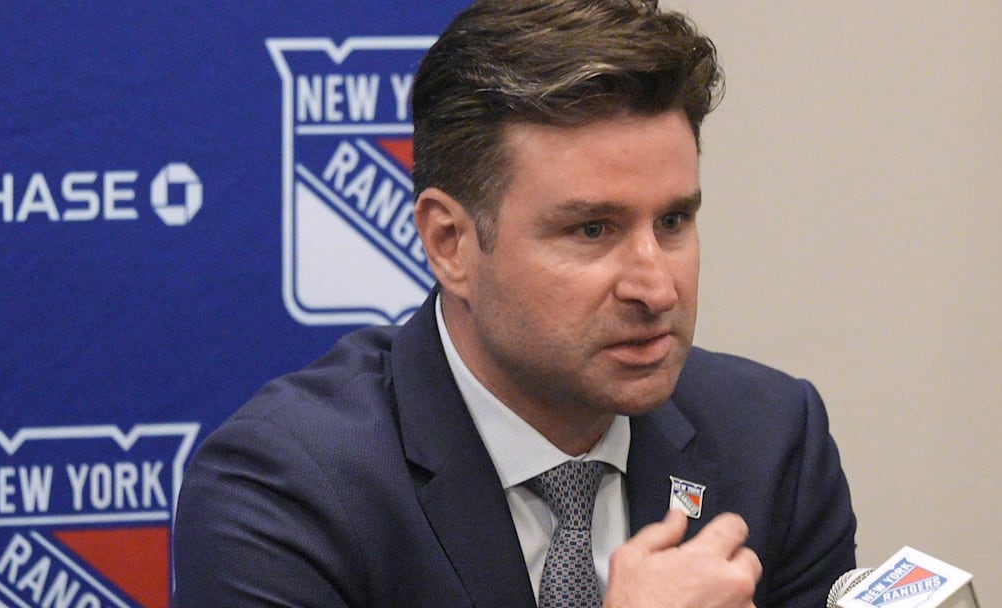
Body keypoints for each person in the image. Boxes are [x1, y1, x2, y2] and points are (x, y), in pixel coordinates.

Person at [172, 1, 856, 606]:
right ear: (451, 244)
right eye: (593, 230)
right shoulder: (289, 494)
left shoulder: (771, 444)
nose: (656, 287)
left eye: (673, 222)